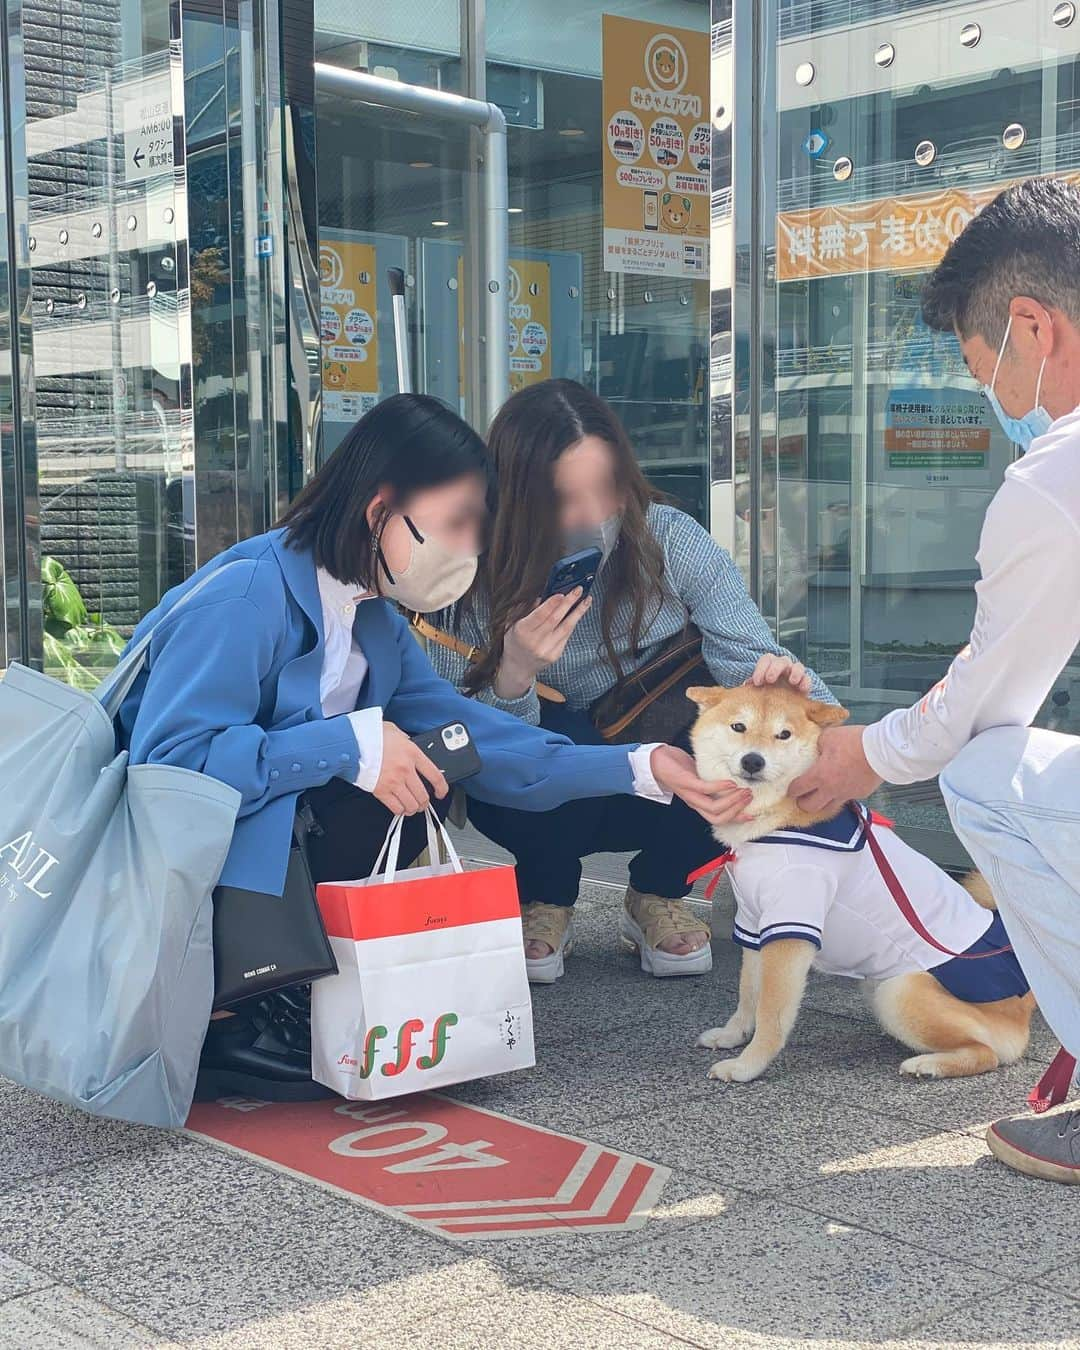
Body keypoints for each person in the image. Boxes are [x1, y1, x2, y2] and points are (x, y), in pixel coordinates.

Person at [117, 394, 732, 1099]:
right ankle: (237, 1009)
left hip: (255, 859)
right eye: (457, 523)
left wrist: (638, 765)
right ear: (381, 509)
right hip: (168, 888)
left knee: (416, 761)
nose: (471, 548)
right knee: (377, 764)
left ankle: (285, 989)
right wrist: (347, 745)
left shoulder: (369, 612)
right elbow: (170, 765)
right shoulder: (248, 597)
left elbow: (473, 737)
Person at [789, 176, 1080, 1184]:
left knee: (987, 775)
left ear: (1034, 329)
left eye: (979, 361)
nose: (990, 395)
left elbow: (989, 701)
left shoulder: (1056, 479)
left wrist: (865, 754)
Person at [430, 379, 834, 982]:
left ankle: (658, 890)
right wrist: (515, 672)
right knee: (525, 747)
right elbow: (456, 733)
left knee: (742, 751)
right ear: (512, 496)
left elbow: (747, 654)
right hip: (545, 788)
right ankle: (545, 894)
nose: (593, 515)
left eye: (609, 489)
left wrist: (800, 705)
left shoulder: (667, 538)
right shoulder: (466, 566)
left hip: (664, 768)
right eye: (566, 498)